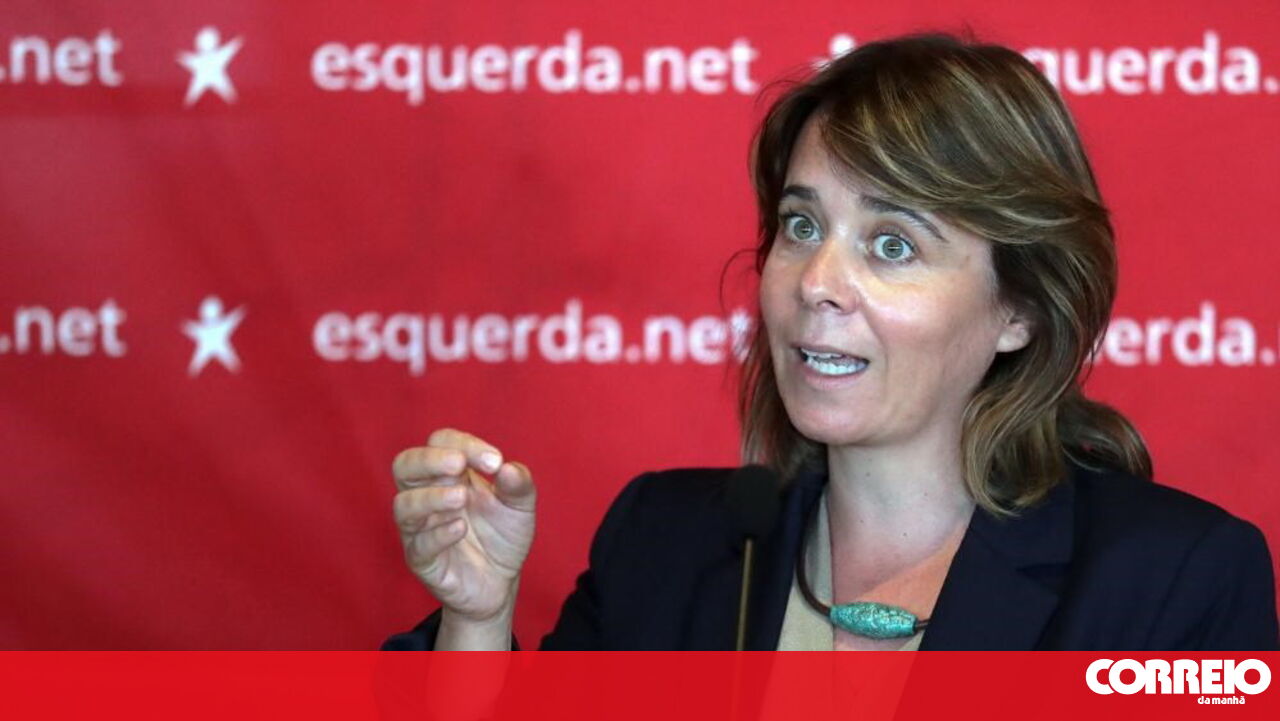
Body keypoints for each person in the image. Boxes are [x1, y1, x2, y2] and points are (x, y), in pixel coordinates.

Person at [383, 34, 1279, 651]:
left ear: (1020, 310)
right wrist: (478, 619)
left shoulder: (1175, 581)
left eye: (893, 245)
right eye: (802, 225)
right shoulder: (664, 541)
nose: (816, 281)